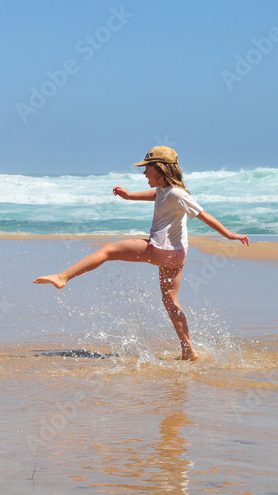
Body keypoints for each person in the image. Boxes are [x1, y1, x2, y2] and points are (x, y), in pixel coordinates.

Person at [34, 146, 249, 360]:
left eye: (147, 168)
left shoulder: (177, 193)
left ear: (160, 169)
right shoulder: (167, 191)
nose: (144, 173)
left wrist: (228, 235)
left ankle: (63, 277)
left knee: (108, 250)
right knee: (171, 302)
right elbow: (155, 196)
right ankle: (188, 350)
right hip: (177, 256)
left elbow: (203, 215)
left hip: (161, 250)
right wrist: (129, 196)